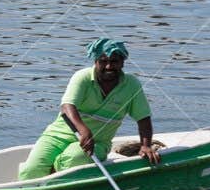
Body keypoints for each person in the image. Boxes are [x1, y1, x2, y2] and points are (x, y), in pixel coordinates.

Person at [17, 38, 160, 180]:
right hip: (57, 136)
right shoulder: (82, 77)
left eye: (114, 61)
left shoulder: (131, 85)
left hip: (97, 143)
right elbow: (67, 106)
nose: (109, 66)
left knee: (73, 158)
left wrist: (146, 146)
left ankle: (52, 179)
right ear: (95, 62)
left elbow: (143, 118)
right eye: (103, 61)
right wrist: (83, 130)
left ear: (122, 62)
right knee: (31, 171)